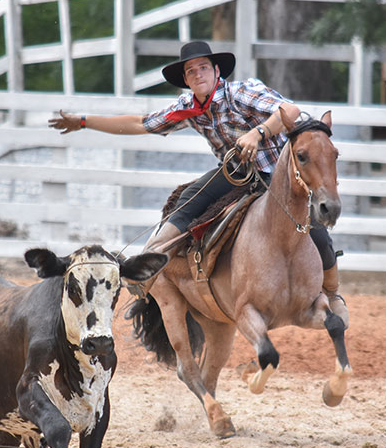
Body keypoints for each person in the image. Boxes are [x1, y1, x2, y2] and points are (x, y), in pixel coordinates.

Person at [47, 41, 347, 326]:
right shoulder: (188, 108)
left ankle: (332, 294)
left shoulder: (242, 93)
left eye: (203, 67)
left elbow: (290, 111)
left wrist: (258, 134)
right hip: (236, 173)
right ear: (187, 81)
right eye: (191, 71)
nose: (198, 74)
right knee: (189, 201)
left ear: (217, 71)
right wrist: (85, 121)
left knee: (314, 231)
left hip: (278, 176)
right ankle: (149, 268)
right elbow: (141, 123)